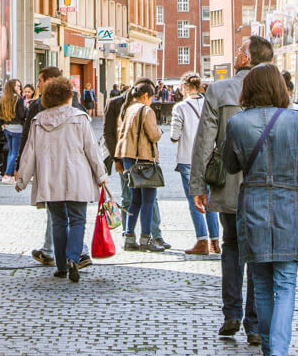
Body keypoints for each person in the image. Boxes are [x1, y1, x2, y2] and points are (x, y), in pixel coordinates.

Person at [225, 64, 298, 356]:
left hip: (253, 206)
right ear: (280, 89)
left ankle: (270, 349)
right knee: (285, 285)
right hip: (289, 206)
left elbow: (230, 166)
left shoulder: (236, 123)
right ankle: (278, 351)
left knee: (261, 284)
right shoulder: (296, 120)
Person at [191, 37, 270, 346]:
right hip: (264, 184)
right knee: (260, 253)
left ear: (245, 58)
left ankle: (232, 313)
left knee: (232, 245)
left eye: (239, 49)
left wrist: (198, 184)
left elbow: (204, 141)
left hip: (228, 182)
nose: (236, 52)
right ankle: (254, 324)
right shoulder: (275, 91)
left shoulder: (219, 90)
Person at [16, 77, 109, 282]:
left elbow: (29, 152)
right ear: (68, 96)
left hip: (50, 178)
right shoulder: (80, 118)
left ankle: (60, 266)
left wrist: (22, 180)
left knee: (58, 221)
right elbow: (92, 150)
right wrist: (101, 175)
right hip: (77, 177)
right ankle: (73, 257)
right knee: (78, 219)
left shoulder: (38, 121)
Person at [115, 81, 167, 253]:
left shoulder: (127, 109)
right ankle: (146, 239)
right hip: (144, 160)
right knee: (148, 201)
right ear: (145, 96)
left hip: (129, 159)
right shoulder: (146, 110)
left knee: (135, 200)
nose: (151, 101)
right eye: (151, 98)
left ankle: (129, 237)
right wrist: (160, 132)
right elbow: (154, 135)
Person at [172, 73, 220, 255]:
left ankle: (202, 241)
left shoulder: (180, 107)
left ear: (184, 87)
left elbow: (174, 136)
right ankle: (215, 241)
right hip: (209, 157)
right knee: (209, 200)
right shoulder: (210, 104)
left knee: (195, 200)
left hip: (188, 158)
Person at [0, 79, 27, 183]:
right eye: (17, 86)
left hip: (7, 127)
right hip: (17, 128)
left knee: (11, 152)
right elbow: (21, 114)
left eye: (19, 86)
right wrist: (27, 109)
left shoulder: (4, 99)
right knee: (15, 152)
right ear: (12, 87)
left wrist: (1, 123)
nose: (19, 88)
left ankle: (9, 174)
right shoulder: (18, 99)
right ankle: (7, 174)